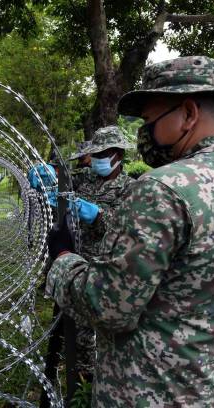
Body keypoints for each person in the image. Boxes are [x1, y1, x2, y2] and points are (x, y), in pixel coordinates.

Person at [45, 56, 214, 407]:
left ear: (188, 113)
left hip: (145, 391)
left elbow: (109, 306)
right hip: (210, 390)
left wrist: (64, 260)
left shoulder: (164, 187)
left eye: (149, 121)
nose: (145, 134)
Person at [67, 126, 135, 384]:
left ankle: (99, 377)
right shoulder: (85, 181)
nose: (96, 159)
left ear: (117, 155)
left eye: (102, 153)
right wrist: (48, 175)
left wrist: (98, 216)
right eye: (94, 154)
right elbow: (61, 183)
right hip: (79, 261)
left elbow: (126, 232)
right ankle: (81, 373)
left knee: (103, 326)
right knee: (77, 323)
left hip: (107, 268)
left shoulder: (131, 189)